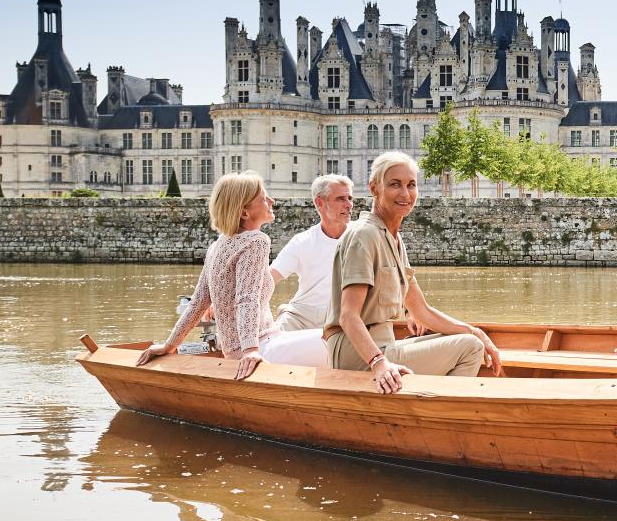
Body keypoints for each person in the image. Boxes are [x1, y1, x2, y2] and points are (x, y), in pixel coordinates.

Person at [324, 152, 501, 394]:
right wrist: (379, 363)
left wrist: (476, 331)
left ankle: (429, 409)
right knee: (469, 347)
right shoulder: (364, 235)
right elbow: (348, 316)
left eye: (411, 185)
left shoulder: (394, 239)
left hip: (383, 345)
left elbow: (422, 311)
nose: (405, 194)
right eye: (395, 184)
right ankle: (440, 417)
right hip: (357, 354)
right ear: (374, 188)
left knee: (472, 340)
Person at [137, 171, 327, 378]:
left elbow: (198, 303)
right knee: (338, 338)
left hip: (247, 347)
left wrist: (170, 344)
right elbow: (247, 299)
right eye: (263, 198)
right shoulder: (256, 241)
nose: (272, 201)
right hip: (262, 347)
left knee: (334, 336)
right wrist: (250, 350)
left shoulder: (217, 246)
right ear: (244, 212)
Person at [270, 174, 354, 331]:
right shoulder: (302, 241)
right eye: (341, 199)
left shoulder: (362, 236)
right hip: (301, 316)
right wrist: (226, 302)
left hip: (343, 317)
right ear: (320, 203)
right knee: (271, 341)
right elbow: (269, 278)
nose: (349, 204)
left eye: (350, 198)